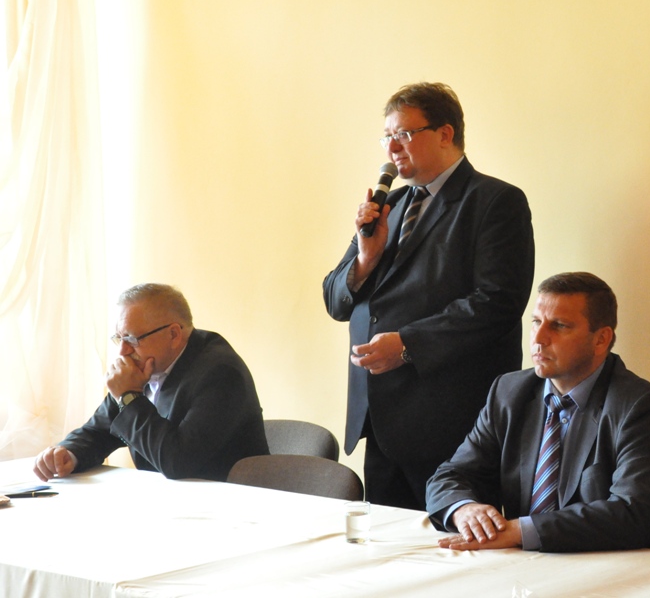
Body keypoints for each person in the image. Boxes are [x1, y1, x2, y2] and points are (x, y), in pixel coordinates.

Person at [323, 82, 535, 510]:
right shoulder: (391, 205)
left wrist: (408, 345)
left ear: (444, 133)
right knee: (388, 544)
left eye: (403, 134)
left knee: (453, 543)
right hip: (380, 421)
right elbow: (335, 300)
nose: (391, 148)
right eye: (387, 137)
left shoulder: (495, 202)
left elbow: (497, 302)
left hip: (451, 424)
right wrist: (365, 258)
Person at [425, 272, 650, 552]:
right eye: (536, 322)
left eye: (559, 326)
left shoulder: (642, 406)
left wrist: (521, 531)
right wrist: (464, 509)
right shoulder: (510, 392)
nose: (539, 338)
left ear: (601, 339)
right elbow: (450, 475)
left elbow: (633, 512)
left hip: (623, 565)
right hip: (526, 564)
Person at [33, 283, 268, 482]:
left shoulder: (221, 373)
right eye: (119, 338)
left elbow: (178, 462)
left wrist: (129, 396)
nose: (123, 351)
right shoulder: (144, 365)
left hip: (229, 505)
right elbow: (100, 430)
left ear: (173, 334)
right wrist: (67, 453)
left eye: (132, 339)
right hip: (171, 500)